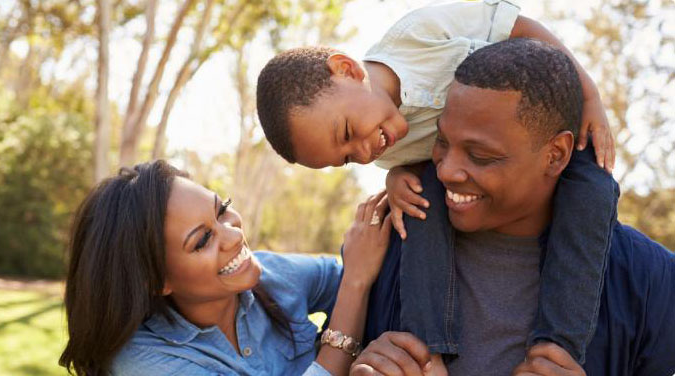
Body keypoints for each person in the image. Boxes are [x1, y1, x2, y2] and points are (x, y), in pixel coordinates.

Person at [255, 1, 617, 372]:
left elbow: (520, 27)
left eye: (347, 132)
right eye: (346, 158)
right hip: (471, 180)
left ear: (346, 69)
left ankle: (557, 350)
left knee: (596, 190)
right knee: (419, 203)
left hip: (551, 130)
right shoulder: (384, 148)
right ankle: (428, 351)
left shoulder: (418, 35)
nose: (364, 152)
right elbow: (421, 162)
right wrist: (396, 176)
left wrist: (589, 96)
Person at [353, 38, 675, 376]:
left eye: (481, 156)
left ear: (557, 154)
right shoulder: (382, 249)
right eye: (442, 142)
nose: (445, 170)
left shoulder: (653, 284)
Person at [58, 160, 399, 375]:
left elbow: (372, 273)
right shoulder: (144, 362)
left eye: (222, 210)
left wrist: (400, 178)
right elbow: (356, 279)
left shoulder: (271, 275)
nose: (235, 235)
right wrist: (354, 289)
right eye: (202, 240)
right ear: (158, 280)